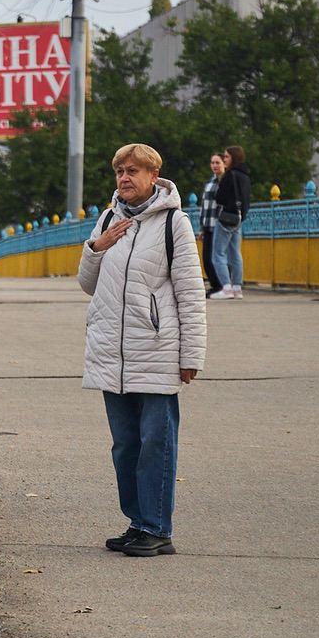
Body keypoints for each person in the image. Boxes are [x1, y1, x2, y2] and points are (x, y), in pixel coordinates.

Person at [78, 143, 206, 557]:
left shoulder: (174, 224)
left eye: (133, 171)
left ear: (154, 176)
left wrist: (192, 356)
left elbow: (190, 293)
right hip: (111, 352)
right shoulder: (107, 218)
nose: (124, 178)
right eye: (119, 171)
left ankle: (156, 527)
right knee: (125, 445)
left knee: (157, 441)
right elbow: (87, 283)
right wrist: (97, 247)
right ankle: (138, 522)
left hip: (156, 349)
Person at [210, 144, 250, 299]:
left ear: (233, 157)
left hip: (226, 217)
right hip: (239, 219)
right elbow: (246, 200)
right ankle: (237, 288)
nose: (224, 159)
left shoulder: (230, 175)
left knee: (218, 253)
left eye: (226, 156)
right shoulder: (245, 176)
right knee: (235, 254)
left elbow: (219, 198)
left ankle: (226, 288)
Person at [198, 153, 225, 296]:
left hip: (219, 225)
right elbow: (204, 205)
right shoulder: (210, 182)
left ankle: (221, 286)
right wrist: (202, 227)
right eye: (212, 162)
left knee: (216, 258)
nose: (214, 165)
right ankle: (215, 285)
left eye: (217, 162)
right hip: (208, 225)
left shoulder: (225, 181)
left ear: (224, 164)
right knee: (206, 259)